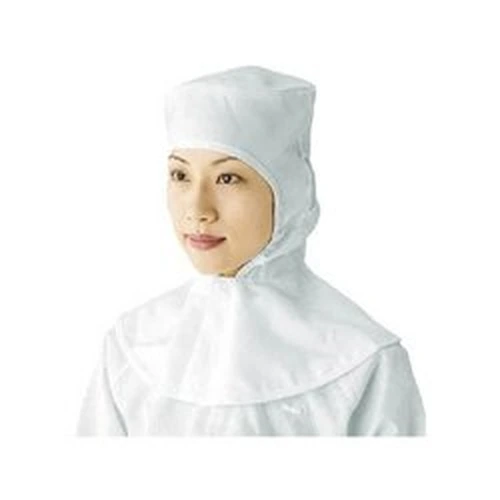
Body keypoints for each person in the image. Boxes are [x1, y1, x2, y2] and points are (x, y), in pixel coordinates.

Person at [76, 65, 426, 436]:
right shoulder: (132, 347)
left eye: (228, 178)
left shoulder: (364, 362)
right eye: (180, 175)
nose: (198, 210)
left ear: (288, 191)